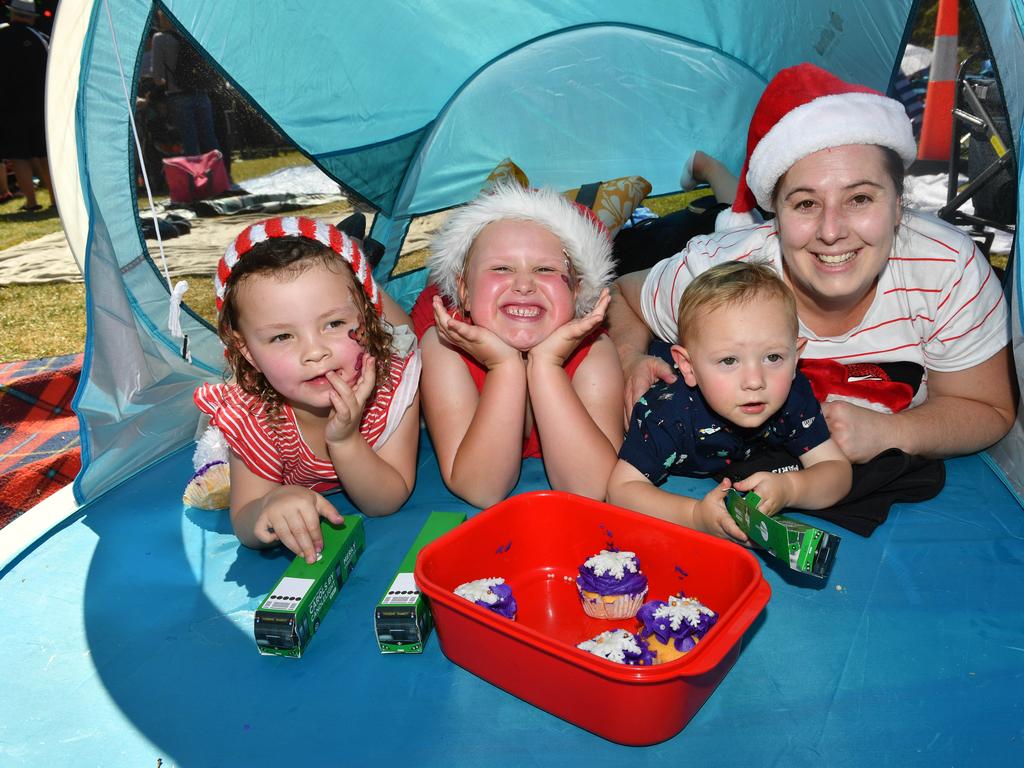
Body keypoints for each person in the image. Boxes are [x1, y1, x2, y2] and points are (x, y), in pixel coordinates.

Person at [609, 63, 1015, 468]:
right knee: (705, 214)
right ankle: (708, 168)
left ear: (897, 205)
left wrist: (896, 432)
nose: (832, 231)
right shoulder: (721, 275)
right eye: (805, 203)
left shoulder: (947, 268)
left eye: (859, 199)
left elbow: (988, 407)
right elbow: (620, 294)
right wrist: (629, 360)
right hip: (710, 232)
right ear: (777, 215)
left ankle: (712, 171)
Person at [194, 216, 421, 563]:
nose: (315, 352)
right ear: (248, 353)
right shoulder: (258, 415)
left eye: (334, 323)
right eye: (282, 336)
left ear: (362, 319)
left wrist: (345, 439)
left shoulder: (390, 383)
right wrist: (270, 504)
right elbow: (244, 519)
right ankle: (349, 264)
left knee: (406, 331)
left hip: (377, 334)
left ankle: (357, 264)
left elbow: (387, 499)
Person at [411, 183, 624, 507]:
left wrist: (547, 365)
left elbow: (590, 489)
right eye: (501, 268)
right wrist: (505, 367)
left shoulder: (592, 351)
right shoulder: (444, 344)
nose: (524, 284)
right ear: (464, 292)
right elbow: (481, 488)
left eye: (545, 269)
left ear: (577, 292)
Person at [607, 261, 852, 542]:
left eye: (773, 357)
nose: (754, 380)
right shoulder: (668, 414)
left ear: (796, 357)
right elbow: (621, 490)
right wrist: (694, 515)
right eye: (729, 360)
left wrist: (791, 488)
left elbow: (837, 471)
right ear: (688, 366)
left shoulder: (793, 394)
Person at [0, 0, 52, 211]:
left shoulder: (2, 36)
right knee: (45, 153)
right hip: (40, 104)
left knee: (18, 155)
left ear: (12, 14)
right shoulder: (40, 39)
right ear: (31, 17)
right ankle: (56, 199)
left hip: (8, 106)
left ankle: (31, 201)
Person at [149, 11, 220, 157]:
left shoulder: (159, 39)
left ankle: (196, 179)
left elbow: (157, 77)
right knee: (210, 139)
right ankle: (219, 176)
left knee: (190, 142)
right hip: (201, 93)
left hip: (178, 96)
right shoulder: (191, 35)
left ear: (162, 18)